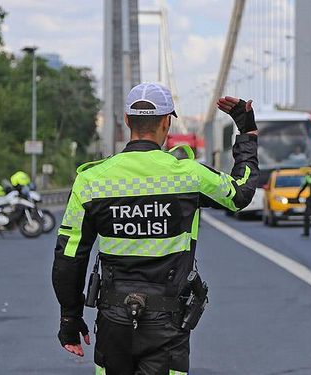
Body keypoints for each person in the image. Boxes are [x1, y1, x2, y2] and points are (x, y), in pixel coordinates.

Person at [51, 82, 259, 374]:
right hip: (168, 322)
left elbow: (68, 257)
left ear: (126, 121)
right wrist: (246, 132)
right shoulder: (189, 175)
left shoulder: (92, 180)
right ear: (166, 121)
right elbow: (241, 193)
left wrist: (69, 319)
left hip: (113, 320)